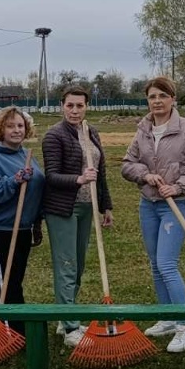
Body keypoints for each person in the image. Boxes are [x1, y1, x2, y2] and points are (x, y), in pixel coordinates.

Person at [120, 76, 185, 353]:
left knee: (167, 264)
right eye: (152, 97)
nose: (157, 101)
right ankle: (168, 317)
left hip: (175, 204)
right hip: (149, 204)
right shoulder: (143, 129)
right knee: (155, 264)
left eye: (162, 96)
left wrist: (178, 187)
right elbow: (128, 164)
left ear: (173, 99)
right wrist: (145, 175)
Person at [41, 86, 113, 347]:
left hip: (87, 207)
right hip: (63, 208)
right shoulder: (54, 135)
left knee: (79, 264)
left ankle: (65, 316)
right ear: (62, 106)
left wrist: (106, 206)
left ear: (87, 107)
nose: (74, 111)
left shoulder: (90, 131)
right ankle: (71, 328)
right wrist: (79, 179)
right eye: (70, 105)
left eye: (79, 106)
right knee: (67, 265)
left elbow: (100, 172)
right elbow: (52, 175)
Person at [0, 107, 45, 334]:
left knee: (15, 279)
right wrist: (13, 181)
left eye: (20, 126)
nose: (16, 130)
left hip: (22, 227)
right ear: (0, 129)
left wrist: (36, 222)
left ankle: (17, 327)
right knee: (5, 281)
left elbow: (36, 190)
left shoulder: (25, 155)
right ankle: (4, 328)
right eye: (10, 126)